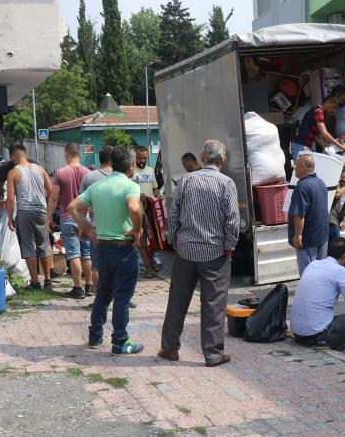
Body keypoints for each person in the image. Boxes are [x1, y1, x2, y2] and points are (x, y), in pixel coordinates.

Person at [158, 139, 239, 368]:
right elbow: (232, 221)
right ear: (223, 161)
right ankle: (213, 354)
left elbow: (173, 214)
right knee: (213, 304)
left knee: (177, 301)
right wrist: (230, 246)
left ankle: (169, 348)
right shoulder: (227, 184)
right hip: (215, 252)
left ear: (202, 157)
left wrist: (173, 239)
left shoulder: (186, 181)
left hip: (185, 250)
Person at [67, 145, 144, 356]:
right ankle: (120, 342)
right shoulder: (130, 186)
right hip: (123, 249)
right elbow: (135, 209)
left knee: (103, 295)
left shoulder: (97, 187)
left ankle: (94, 335)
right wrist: (136, 230)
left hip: (102, 247)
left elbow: (72, 207)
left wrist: (87, 227)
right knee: (121, 297)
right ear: (130, 165)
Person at [290, 238, 345, 351]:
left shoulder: (314, 264)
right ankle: (339, 346)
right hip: (317, 335)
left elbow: (324, 284)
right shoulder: (341, 272)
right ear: (344, 256)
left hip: (298, 333)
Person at [5, 144, 53, 289]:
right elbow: (51, 192)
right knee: (44, 245)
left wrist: (10, 217)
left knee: (28, 247)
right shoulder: (40, 169)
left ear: (14, 156)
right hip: (41, 212)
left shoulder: (13, 172)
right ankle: (48, 280)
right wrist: (48, 213)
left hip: (25, 213)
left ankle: (35, 282)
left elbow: (10, 198)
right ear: (25, 154)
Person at [47, 143, 92, 298]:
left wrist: (48, 217)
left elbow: (54, 197)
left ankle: (77, 288)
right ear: (79, 153)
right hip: (85, 218)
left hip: (67, 217)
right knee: (86, 254)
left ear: (67, 153)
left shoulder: (60, 173)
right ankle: (90, 286)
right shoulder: (88, 173)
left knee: (73, 254)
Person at [79, 145, 115, 299]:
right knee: (118, 265)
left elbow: (81, 205)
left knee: (97, 265)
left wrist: (82, 227)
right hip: (117, 228)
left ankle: (100, 300)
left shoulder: (89, 177)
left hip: (95, 227)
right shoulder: (120, 176)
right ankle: (121, 299)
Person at [288, 154, 329, 275]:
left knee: (308, 273)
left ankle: (310, 293)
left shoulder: (302, 186)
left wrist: (298, 235)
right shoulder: (321, 183)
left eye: (296, 166)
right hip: (322, 236)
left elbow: (299, 214)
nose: (294, 168)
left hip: (308, 238)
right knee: (321, 271)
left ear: (301, 167)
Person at [132, 145, 160, 278]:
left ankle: (151, 261)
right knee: (142, 242)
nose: (142, 160)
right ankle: (149, 268)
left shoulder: (150, 170)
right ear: (135, 157)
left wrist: (157, 194)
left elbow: (155, 188)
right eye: (139, 158)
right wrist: (138, 196)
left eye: (144, 158)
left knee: (156, 241)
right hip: (138, 212)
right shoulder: (131, 172)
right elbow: (128, 192)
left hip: (152, 212)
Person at [329, 167, 345, 242]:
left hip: (334, 221)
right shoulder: (336, 183)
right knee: (336, 249)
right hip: (330, 222)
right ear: (344, 175)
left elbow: (340, 206)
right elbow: (337, 194)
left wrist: (339, 221)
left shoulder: (341, 186)